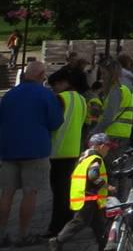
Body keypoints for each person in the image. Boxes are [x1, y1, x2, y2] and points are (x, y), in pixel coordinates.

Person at [0, 60, 64, 245]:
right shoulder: (46, 95)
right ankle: (22, 234)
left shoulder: (10, 94)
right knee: (30, 193)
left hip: (8, 149)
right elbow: (55, 122)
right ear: (41, 75)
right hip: (35, 150)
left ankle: (1, 233)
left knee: (7, 193)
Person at [49, 132, 113, 251]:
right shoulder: (96, 159)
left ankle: (105, 246)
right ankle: (57, 241)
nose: (108, 149)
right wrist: (107, 186)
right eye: (107, 146)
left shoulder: (84, 158)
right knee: (80, 222)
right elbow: (93, 176)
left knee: (99, 224)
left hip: (90, 197)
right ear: (100, 146)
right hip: (89, 197)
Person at [45, 68, 88, 240]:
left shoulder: (61, 98)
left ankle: (56, 228)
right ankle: (68, 223)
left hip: (58, 151)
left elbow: (52, 122)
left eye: (55, 85)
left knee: (59, 193)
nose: (53, 89)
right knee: (67, 191)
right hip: (73, 150)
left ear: (64, 83)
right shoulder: (81, 99)